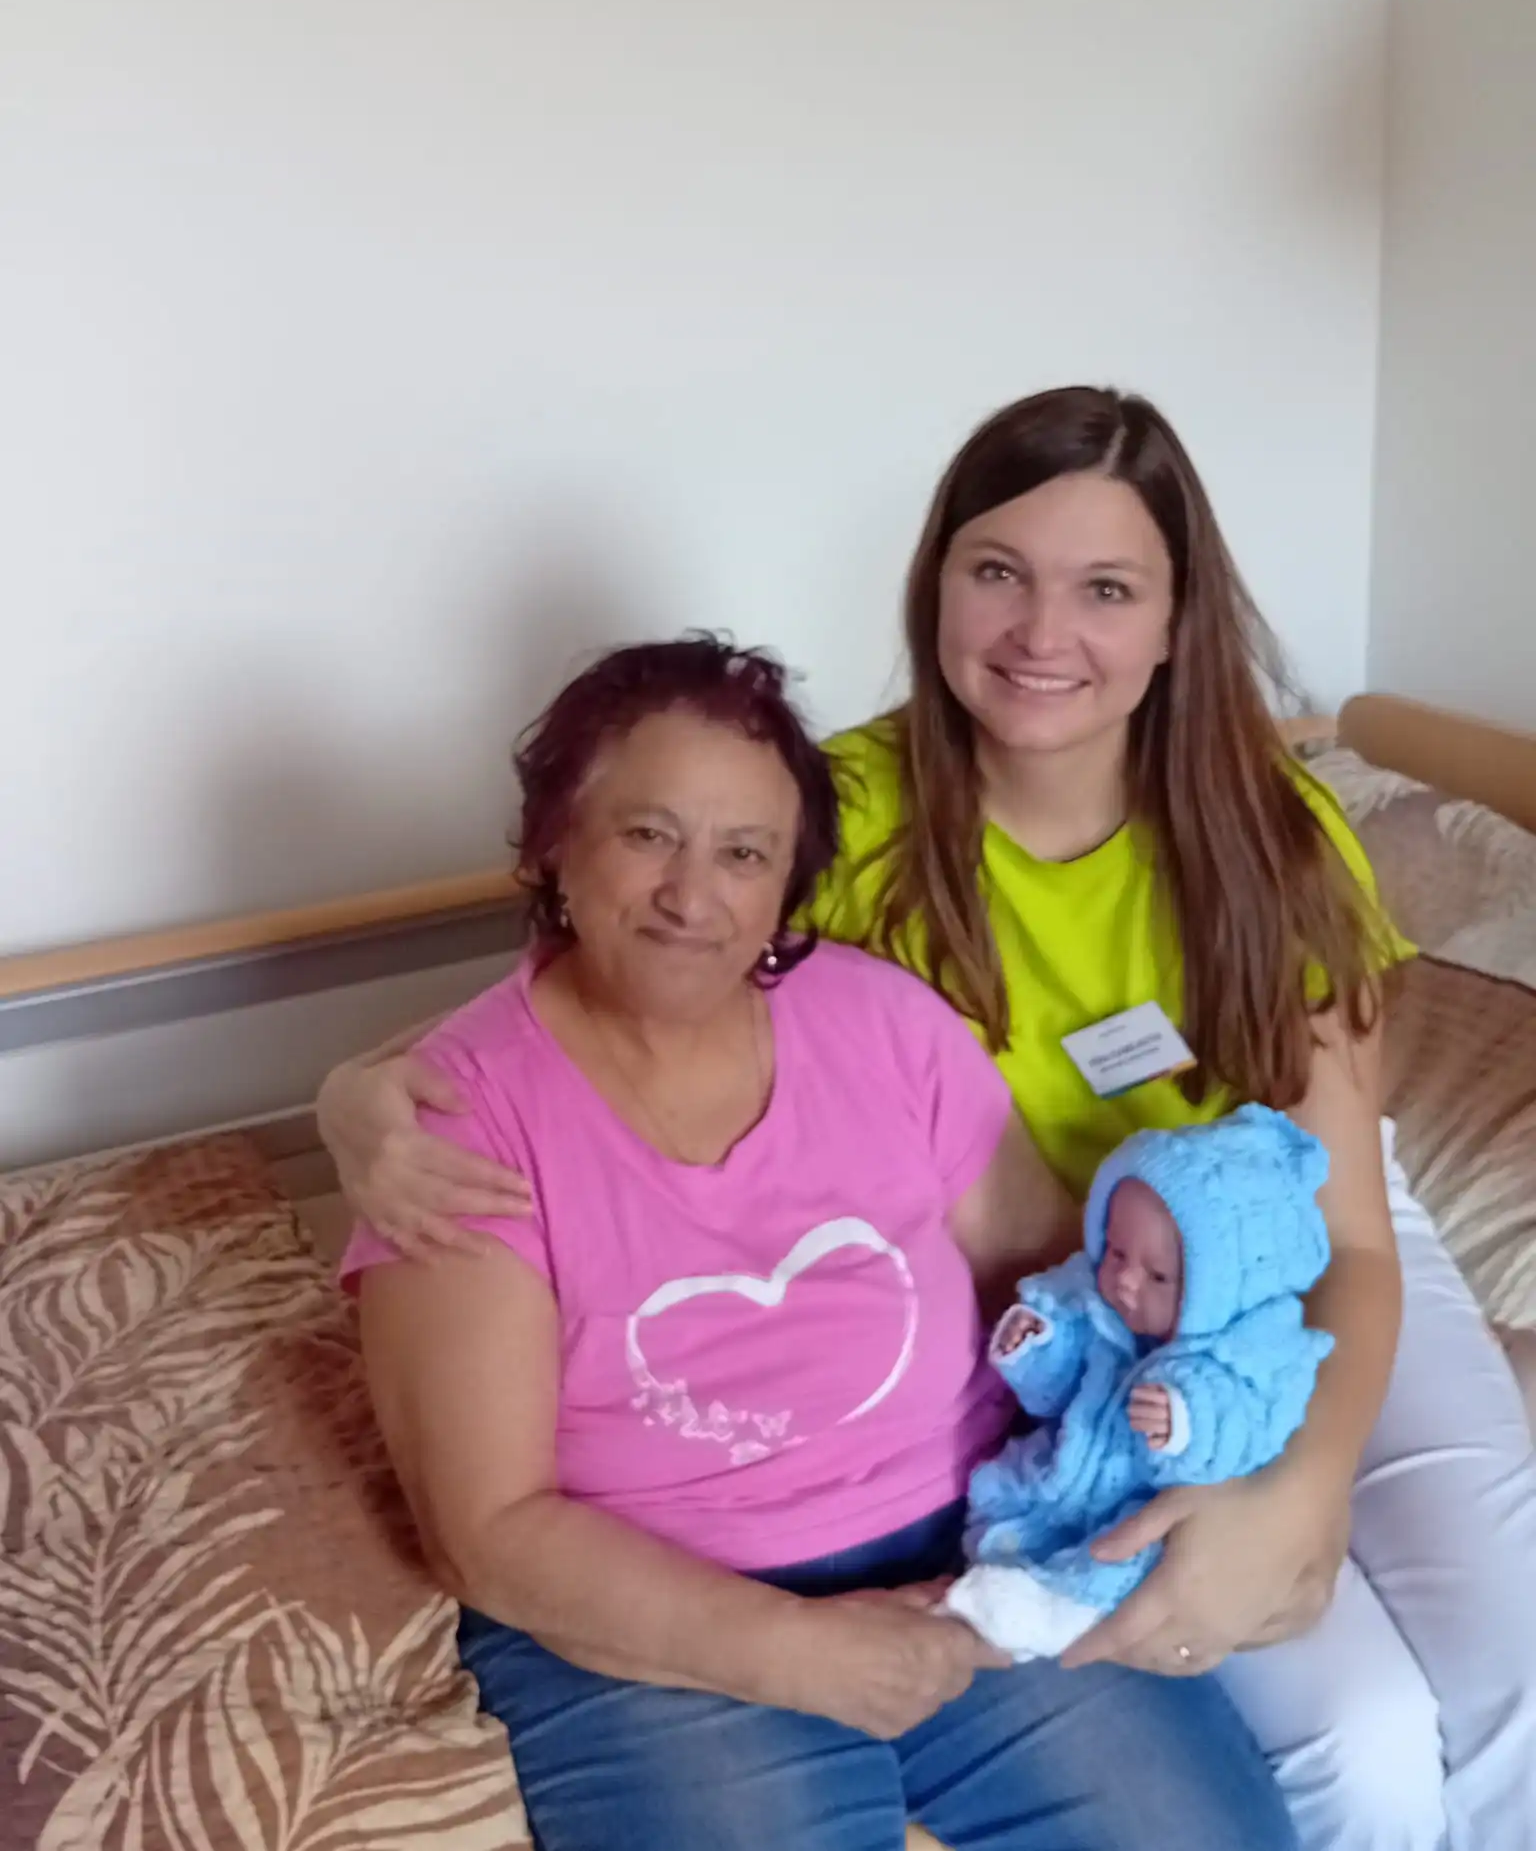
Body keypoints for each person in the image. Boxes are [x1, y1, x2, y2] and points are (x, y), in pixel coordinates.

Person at [321, 386, 1536, 1851]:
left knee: (1517, 1655)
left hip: (1293, 1249)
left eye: (1106, 589)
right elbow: (616, 982)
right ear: (936, 584)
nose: (1043, 632)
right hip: (1084, 1296)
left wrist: (1302, 1482)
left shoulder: (1272, 832)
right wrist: (352, 1092)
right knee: (1360, 1731)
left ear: (1176, 621)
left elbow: (1352, 1231)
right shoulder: (840, 819)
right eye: (999, 572)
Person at [336, 634, 1297, 1851]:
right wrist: (793, 1650)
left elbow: (1061, 1283)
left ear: (787, 882)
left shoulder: (882, 1022)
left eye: (744, 853)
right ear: (554, 843)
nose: (693, 895)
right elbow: (490, 1530)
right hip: (646, 1621)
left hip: (973, 1544)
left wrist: (1205, 1461)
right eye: (649, 835)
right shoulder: (456, 1118)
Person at [943, 1104, 1335, 1661]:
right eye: (1116, 1251)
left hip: (1146, 1499)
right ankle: (1001, 1567)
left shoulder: (1254, 1354)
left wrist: (1189, 1421)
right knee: (1010, 1489)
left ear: (1220, 1289)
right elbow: (1053, 1394)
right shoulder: (1095, 1297)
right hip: (1069, 1466)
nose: (1125, 1279)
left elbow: (1253, 1424)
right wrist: (1035, 1344)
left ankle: (1060, 1611)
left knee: (1138, 1554)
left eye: (1158, 1275)